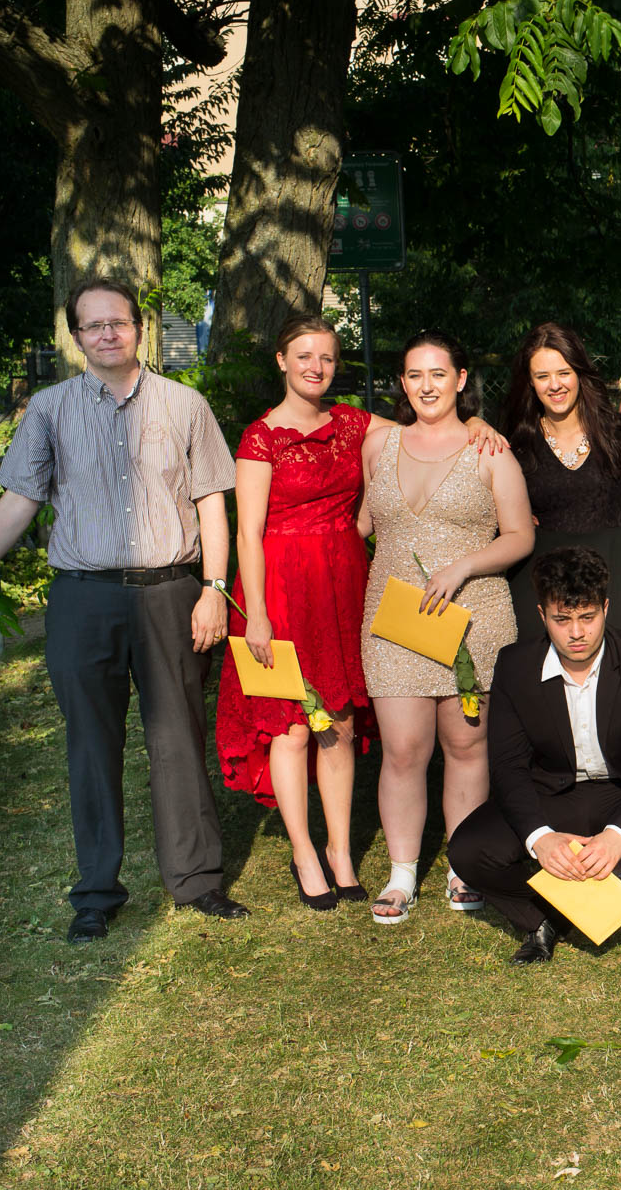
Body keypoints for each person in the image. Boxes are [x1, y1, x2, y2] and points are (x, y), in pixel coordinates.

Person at [0, 277, 247, 941]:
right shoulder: (49, 409)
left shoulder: (185, 405)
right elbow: (20, 499)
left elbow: (212, 501)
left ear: (139, 328)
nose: (106, 334)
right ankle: (96, 892)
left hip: (171, 593)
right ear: (76, 337)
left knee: (178, 738)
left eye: (117, 322)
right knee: (91, 745)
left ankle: (196, 879)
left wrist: (215, 589)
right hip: (83, 597)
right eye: (92, 325)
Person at [446, 547, 621, 963]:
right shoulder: (515, 664)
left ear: (606, 608)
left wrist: (617, 836)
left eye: (588, 617)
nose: (577, 633)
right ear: (541, 615)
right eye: (562, 620)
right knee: (468, 850)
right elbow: (508, 765)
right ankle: (541, 920)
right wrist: (539, 837)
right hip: (552, 789)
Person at [360, 330, 535, 923]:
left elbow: (520, 535)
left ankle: (464, 866)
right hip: (394, 619)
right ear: (402, 383)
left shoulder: (490, 450)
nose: (427, 386)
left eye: (439, 374)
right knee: (403, 749)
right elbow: (361, 522)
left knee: (466, 745)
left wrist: (463, 565)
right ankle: (402, 873)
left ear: (461, 379)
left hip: (473, 616)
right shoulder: (378, 444)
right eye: (415, 375)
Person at [214, 315, 378, 909]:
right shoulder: (261, 437)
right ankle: (304, 853)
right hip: (278, 588)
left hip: (342, 582)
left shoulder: (354, 423)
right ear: (282, 361)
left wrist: (478, 425)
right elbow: (247, 533)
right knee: (290, 725)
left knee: (338, 720)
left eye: (327, 358)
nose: (317, 367)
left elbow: (425, 431)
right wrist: (256, 614)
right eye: (305, 356)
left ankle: (340, 849)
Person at [503, 322, 621, 643]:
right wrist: (473, 423)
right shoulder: (515, 444)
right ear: (530, 382)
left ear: (579, 373)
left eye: (563, 373)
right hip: (539, 588)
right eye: (542, 376)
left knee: (613, 670)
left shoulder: (617, 433)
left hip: (611, 581)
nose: (555, 385)